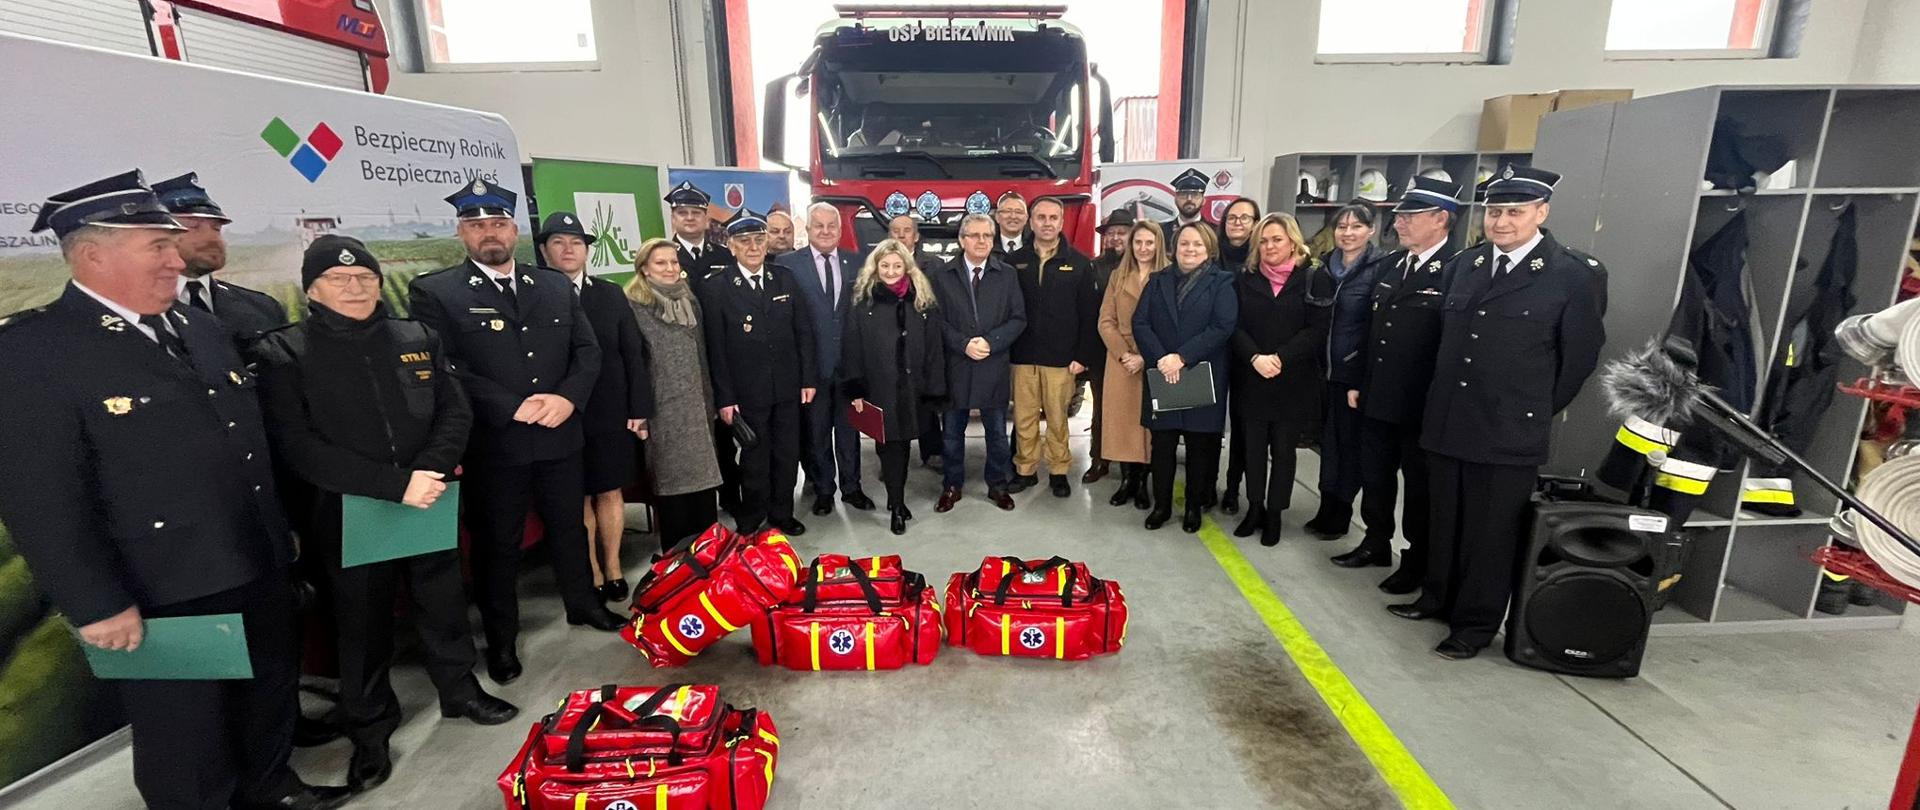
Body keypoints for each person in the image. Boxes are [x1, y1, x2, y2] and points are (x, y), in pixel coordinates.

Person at [0, 170, 348, 809]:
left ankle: (273, 790)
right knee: (183, 733)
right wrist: (95, 602)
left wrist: (279, 531)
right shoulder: (35, 351)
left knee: (268, 690)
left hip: (252, 555)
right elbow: (41, 496)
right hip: (158, 582)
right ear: (92, 253)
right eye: (156, 246)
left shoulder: (200, 329)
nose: (175, 257)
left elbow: (245, 447)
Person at [254, 236, 519, 794]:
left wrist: (430, 472)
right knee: (362, 624)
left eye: (366, 279)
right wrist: (395, 484)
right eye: (339, 280)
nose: (355, 288)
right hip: (351, 506)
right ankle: (370, 728)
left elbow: (454, 410)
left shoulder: (415, 336)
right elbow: (296, 444)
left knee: (443, 600)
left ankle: (460, 691)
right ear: (312, 290)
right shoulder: (288, 352)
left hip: (428, 494)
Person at [407, 179, 624, 688]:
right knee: (498, 545)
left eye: (499, 223)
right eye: (478, 225)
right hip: (496, 442)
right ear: (462, 232)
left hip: (558, 431)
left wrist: (566, 398)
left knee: (570, 527)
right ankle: (502, 640)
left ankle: (582, 604)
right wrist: (512, 406)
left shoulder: (550, 285)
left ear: (515, 229)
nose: (490, 234)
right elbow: (447, 366)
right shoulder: (437, 291)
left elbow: (587, 352)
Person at [1389, 166, 1607, 661]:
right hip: (1448, 421)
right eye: (1494, 211)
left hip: (1508, 430)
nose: (1501, 222)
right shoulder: (1465, 266)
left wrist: (1531, 412)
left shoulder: (1572, 275)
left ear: (1541, 213)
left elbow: (1578, 360)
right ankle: (1438, 597)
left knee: (1491, 534)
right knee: (1444, 520)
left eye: (1514, 212)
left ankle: (1475, 623)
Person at [1331, 180, 1462, 594]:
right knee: (1377, 474)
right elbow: (1374, 333)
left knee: (1418, 487)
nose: (1399, 223)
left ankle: (1415, 558)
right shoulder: (1391, 266)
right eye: (1400, 215)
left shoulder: (1458, 270)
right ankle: (1375, 541)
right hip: (1378, 395)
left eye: (1410, 216)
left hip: (1422, 403)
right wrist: (1357, 380)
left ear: (1441, 219)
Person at [537, 212, 654, 602]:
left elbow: (633, 353)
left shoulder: (608, 294)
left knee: (608, 490)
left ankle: (614, 566)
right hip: (561, 414)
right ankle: (591, 571)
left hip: (609, 409)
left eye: (577, 243)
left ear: (588, 251)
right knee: (577, 496)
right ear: (544, 250)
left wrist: (639, 407)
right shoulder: (534, 294)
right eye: (559, 242)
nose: (569, 250)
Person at [699, 209, 818, 536]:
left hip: (787, 388)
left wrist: (808, 378)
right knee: (753, 459)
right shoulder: (717, 287)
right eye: (744, 241)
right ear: (731, 246)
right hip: (746, 393)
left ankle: (782, 513)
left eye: (758, 239)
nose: (753, 247)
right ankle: (752, 518)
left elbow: (803, 331)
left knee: (787, 454)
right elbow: (716, 348)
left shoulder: (784, 278)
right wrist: (725, 397)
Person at [1230, 213, 1333, 546]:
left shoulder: (1313, 278)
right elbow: (1234, 326)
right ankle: (1255, 507)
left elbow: (1317, 330)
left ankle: (1275, 513)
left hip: (1292, 379)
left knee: (1284, 452)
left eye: (1277, 239)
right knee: (1254, 450)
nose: (1270, 246)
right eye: (1263, 240)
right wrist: (1255, 357)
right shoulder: (1244, 279)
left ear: (1292, 240)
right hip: (1253, 376)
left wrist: (1280, 358)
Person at [1134, 222, 1238, 533]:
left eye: (1197, 245)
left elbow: (1223, 326)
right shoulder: (1157, 281)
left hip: (1200, 373)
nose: (1189, 250)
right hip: (1165, 373)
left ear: (1209, 250)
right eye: (1184, 244)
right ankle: (1161, 506)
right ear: (1174, 248)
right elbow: (1140, 323)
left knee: (1199, 448)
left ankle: (1193, 507)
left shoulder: (1222, 283)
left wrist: (1182, 357)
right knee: (1162, 447)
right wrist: (1163, 359)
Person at [841, 239, 947, 534]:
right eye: (884, 265)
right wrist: (856, 389)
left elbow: (934, 348)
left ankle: (896, 496)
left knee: (905, 442)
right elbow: (852, 346)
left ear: (907, 268)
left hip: (913, 386)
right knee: (889, 445)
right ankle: (897, 505)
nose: (890, 271)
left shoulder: (922, 301)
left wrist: (935, 388)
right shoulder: (863, 301)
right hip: (879, 387)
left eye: (897, 266)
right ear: (875, 267)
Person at [625, 238, 726, 549]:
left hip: (698, 408)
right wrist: (638, 412)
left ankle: (709, 561)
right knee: (674, 494)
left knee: (705, 491)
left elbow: (704, 355)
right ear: (644, 268)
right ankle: (678, 568)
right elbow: (632, 363)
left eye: (674, 262)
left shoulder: (689, 300)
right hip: (662, 413)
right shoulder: (633, 305)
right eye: (661, 263)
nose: (670, 269)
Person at [777, 202, 871, 516]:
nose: (826, 231)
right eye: (819, 225)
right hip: (811, 369)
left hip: (848, 367)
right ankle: (824, 490)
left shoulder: (857, 263)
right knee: (816, 433)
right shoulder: (787, 264)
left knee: (849, 433)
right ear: (807, 229)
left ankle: (852, 488)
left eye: (832, 226)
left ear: (840, 230)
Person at [931, 213, 1026, 513]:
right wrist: (962, 344)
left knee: (997, 432)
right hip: (956, 366)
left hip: (992, 364)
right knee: (951, 434)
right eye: (974, 235)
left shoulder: (1007, 274)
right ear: (961, 240)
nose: (981, 241)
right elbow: (936, 320)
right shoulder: (942, 276)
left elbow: (1018, 318)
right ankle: (952, 485)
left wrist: (991, 342)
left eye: (987, 235)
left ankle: (997, 485)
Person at [1005, 197, 1099, 498]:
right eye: (1041, 217)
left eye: (1053, 217)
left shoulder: (1081, 263)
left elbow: (1089, 314)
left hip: (1061, 359)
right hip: (1022, 356)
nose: (1047, 223)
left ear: (1061, 222)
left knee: (1058, 419)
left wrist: (1082, 355)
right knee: (1024, 418)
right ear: (1031, 222)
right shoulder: (1014, 262)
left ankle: (1059, 471)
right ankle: (1026, 470)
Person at [1314, 201, 1392, 543]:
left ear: (1371, 230)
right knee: (1326, 444)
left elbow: (1376, 330)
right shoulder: (1324, 267)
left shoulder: (1380, 268)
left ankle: (1341, 511)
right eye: (1342, 226)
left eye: (1356, 226)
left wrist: (1360, 375)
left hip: (1352, 374)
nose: (1348, 233)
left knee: (1349, 447)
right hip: (1322, 372)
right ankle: (1325, 504)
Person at [667, 181, 742, 514]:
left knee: (725, 434)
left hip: (722, 351)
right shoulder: (665, 257)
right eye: (682, 213)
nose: (689, 219)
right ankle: (697, 505)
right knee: (691, 435)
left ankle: (730, 496)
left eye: (695, 213)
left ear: (706, 218)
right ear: (673, 218)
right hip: (682, 357)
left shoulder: (723, 255)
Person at [151, 172, 289, 348]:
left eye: (216, 228)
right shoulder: (130, 311)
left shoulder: (262, 308)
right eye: (193, 227)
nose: (212, 238)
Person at [1097, 219, 1164, 510]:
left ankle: (1144, 483)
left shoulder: (1169, 275)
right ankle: (1128, 481)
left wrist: (1145, 356)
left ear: (1158, 244)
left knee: (1150, 427)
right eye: (1138, 242)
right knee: (1121, 423)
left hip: (1156, 361)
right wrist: (1125, 354)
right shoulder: (1118, 276)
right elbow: (1105, 321)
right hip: (1121, 360)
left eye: (1149, 242)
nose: (1143, 248)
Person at [1081, 209, 1133, 486]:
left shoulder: (1144, 266)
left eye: (1121, 232)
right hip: (1102, 351)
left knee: (1132, 410)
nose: (1115, 238)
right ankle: (1099, 459)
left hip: (1136, 352)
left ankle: (1132, 463)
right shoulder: (1094, 267)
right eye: (1110, 233)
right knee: (1101, 408)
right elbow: (1089, 313)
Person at [1215, 197, 1261, 515]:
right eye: (1233, 217)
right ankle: (1204, 484)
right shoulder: (1212, 256)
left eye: (1246, 218)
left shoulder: (1263, 260)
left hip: (1249, 353)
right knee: (1208, 424)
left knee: (1244, 427)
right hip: (1214, 351)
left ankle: (1232, 489)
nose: (1238, 223)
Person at [889, 214, 945, 468]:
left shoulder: (934, 265)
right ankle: (891, 459)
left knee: (926, 402)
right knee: (892, 404)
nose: (901, 235)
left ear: (917, 235)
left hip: (924, 343)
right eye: (895, 231)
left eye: (907, 230)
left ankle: (932, 450)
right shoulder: (879, 264)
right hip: (890, 345)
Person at [1161, 168, 1210, 235]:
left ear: (1203, 200)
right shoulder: (1162, 232)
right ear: (1175, 200)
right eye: (1183, 194)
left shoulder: (1214, 231)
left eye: (1195, 194)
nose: (1189, 199)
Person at [992, 191, 1030, 256]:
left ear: (1026, 218)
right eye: (1007, 211)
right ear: (997, 217)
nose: (1013, 216)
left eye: (1018, 212)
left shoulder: (1035, 246)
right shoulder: (987, 246)